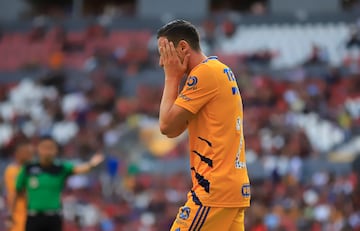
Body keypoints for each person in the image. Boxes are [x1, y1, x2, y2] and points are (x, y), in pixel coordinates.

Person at [157, 20, 251, 231]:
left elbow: (165, 126)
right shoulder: (219, 70)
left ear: (182, 47)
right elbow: (173, 130)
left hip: (213, 190)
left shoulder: (204, 74)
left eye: (163, 52)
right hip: (232, 189)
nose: (161, 63)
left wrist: (172, 78)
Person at [11, 136, 104, 231]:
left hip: (53, 217)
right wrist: (12, 213)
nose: (47, 152)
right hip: (34, 216)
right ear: (38, 149)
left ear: (55, 151)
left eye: (50, 148)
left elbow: (79, 169)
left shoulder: (60, 168)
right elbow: (17, 191)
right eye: (44, 148)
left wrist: (92, 164)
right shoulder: (28, 169)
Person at [4, 140, 34, 231]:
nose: (29, 155)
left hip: (35, 214)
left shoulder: (36, 171)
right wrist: (10, 214)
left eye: (30, 153)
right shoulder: (11, 171)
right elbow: (13, 193)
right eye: (25, 152)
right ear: (17, 154)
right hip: (18, 215)